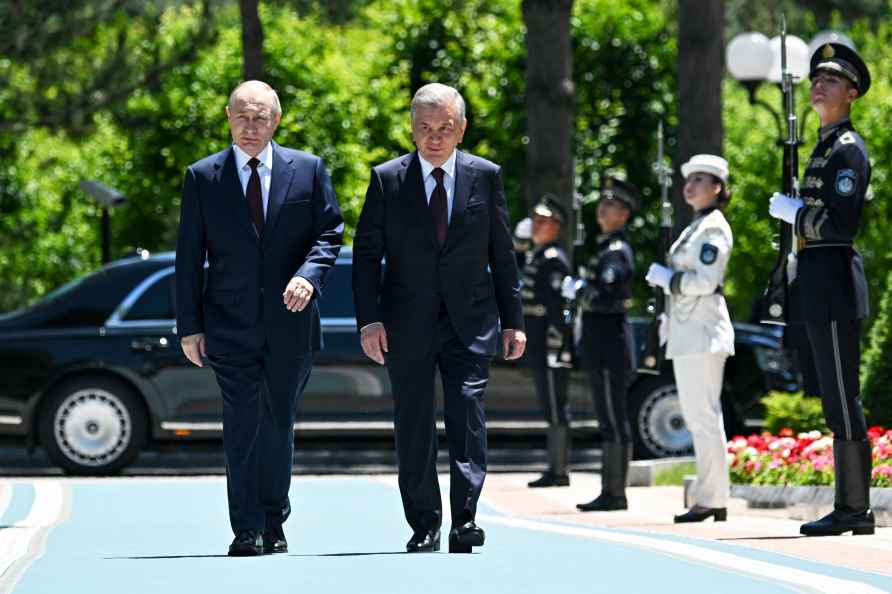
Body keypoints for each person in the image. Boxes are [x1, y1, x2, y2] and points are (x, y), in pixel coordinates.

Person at [352, 83, 526, 554]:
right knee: (414, 421)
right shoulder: (388, 179)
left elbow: (502, 253)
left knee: (467, 413)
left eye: (444, 128)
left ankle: (464, 519)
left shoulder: (484, 176)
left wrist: (515, 321)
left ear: (461, 128)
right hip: (405, 322)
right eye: (425, 129)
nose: (434, 138)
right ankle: (425, 522)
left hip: (470, 320)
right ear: (412, 129)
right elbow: (367, 256)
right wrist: (369, 321)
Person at [175, 80, 344, 556]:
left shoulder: (307, 170)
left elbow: (329, 232)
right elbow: (188, 256)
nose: (251, 127)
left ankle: (274, 518)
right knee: (242, 423)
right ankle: (246, 528)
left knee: (278, 423)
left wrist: (309, 277)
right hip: (229, 324)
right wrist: (189, 325)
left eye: (261, 117)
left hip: (292, 323)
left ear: (277, 120)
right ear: (228, 117)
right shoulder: (203, 177)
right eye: (243, 117)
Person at [768, 42, 874, 537]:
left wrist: (798, 215)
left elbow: (841, 223)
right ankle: (850, 506)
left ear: (851, 93)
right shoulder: (824, 145)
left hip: (833, 283)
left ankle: (854, 509)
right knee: (833, 398)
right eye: (818, 78)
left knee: (842, 396)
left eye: (831, 80)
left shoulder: (848, 149)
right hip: (817, 282)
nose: (819, 85)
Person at [645, 155, 734, 523]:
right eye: (689, 178)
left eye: (701, 179)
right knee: (700, 418)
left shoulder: (713, 228)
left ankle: (712, 498)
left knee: (704, 417)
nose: (691, 185)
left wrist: (670, 281)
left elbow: (705, 281)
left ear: (717, 188)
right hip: (688, 332)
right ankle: (711, 495)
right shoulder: (695, 227)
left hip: (703, 332)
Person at [575, 177, 639, 511]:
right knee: (607, 418)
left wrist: (580, 291)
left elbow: (605, 295)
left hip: (611, 341)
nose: (604, 208)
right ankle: (609, 489)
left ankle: (615, 492)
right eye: (603, 202)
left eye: (613, 204)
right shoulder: (603, 248)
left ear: (625, 215)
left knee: (614, 418)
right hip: (600, 342)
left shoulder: (617, 251)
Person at [522, 195, 573, 488]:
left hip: (550, 340)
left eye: (543, 222)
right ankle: (554, 467)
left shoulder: (553, 259)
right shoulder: (539, 254)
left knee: (556, 403)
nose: (536, 226)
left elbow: (558, 309)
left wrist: (558, 345)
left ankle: (559, 470)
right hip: (538, 337)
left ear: (556, 227)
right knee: (549, 403)